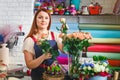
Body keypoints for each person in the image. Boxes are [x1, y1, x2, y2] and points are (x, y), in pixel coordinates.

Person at [23, 8, 92, 80]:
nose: (43, 20)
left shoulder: (55, 35)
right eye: (40, 17)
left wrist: (74, 41)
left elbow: (64, 49)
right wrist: (43, 57)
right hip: (38, 75)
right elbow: (29, 65)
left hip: (55, 74)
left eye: (46, 18)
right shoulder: (30, 40)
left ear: (49, 21)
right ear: (35, 20)